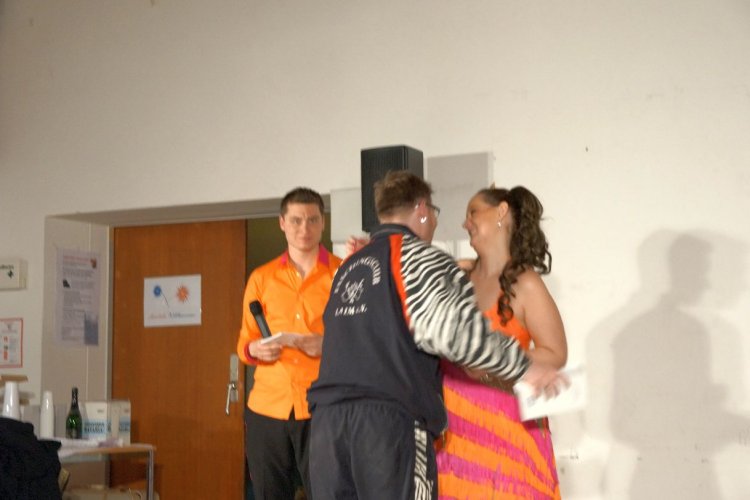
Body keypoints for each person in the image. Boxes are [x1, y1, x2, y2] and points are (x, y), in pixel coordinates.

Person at [307, 172, 563, 500]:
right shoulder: (427, 261)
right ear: (422, 209)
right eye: (439, 212)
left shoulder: (351, 266)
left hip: (331, 424)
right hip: (398, 423)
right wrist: (522, 366)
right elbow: (460, 338)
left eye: (472, 212)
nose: (461, 223)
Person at [436, 186, 568, 499]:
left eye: (473, 212)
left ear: (502, 212)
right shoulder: (457, 275)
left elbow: (556, 353)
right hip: (455, 434)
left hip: (508, 434)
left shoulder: (525, 282)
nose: (465, 223)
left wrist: (491, 361)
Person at [236, 187, 342, 500]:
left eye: (312, 220)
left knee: (330, 492)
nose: (304, 228)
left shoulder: (343, 273)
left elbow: (362, 339)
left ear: (323, 223)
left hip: (323, 406)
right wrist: (254, 350)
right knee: (269, 493)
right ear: (282, 223)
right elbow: (244, 341)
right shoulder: (262, 278)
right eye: (296, 220)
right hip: (268, 405)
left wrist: (328, 345)